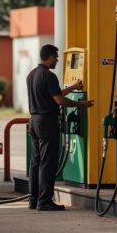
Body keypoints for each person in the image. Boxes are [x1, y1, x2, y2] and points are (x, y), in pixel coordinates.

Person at [26, 44, 94, 211]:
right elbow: (59, 101)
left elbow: (55, 93)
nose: (57, 60)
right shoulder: (49, 76)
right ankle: (45, 201)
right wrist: (81, 104)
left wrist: (73, 87)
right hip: (47, 122)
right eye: (56, 57)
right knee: (47, 163)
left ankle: (33, 200)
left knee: (36, 162)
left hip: (33, 121)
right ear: (49, 57)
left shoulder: (32, 74)